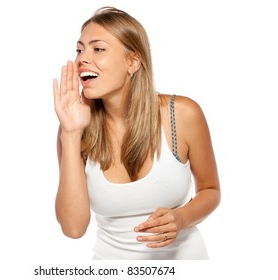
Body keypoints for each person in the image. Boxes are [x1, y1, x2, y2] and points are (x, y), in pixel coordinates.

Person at [53, 6, 221, 260]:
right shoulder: (74, 128)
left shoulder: (182, 114)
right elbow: (73, 228)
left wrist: (181, 217)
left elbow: (210, 190)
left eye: (98, 49)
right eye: (80, 49)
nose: (81, 59)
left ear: (133, 61)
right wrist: (70, 132)